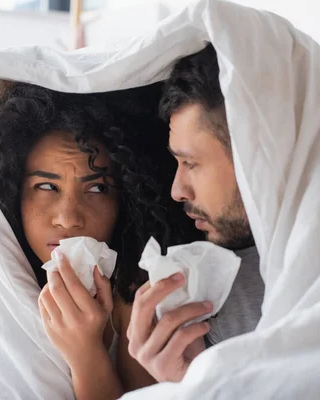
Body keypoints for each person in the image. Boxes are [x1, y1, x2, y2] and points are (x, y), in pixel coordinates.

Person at [0, 80, 200, 399]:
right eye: (46, 187)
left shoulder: (139, 299)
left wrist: (85, 352)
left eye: (97, 188)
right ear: (14, 195)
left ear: (125, 199)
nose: (69, 217)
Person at [127, 44, 265, 383]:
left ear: (255, 156)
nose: (178, 191)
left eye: (190, 163)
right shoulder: (209, 297)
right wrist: (185, 385)